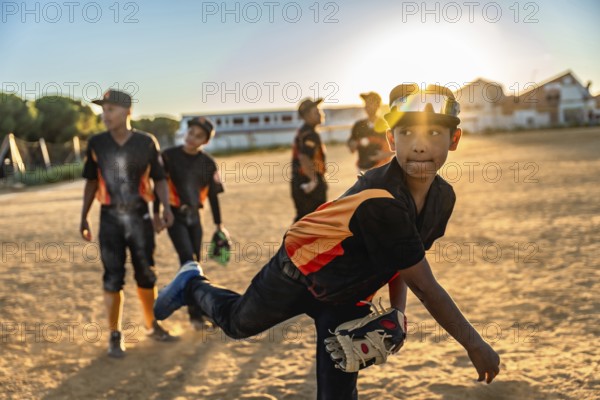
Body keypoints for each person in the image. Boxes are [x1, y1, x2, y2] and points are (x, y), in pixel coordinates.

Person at [153, 83, 500, 399]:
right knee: (236, 323)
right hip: (296, 274)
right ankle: (191, 282)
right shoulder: (381, 198)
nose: (420, 144)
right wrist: (474, 344)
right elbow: (426, 286)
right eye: (407, 131)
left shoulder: (443, 199)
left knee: (338, 393)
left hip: (348, 294)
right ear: (391, 140)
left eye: (435, 131)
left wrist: (397, 314)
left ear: (454, 139)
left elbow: (405, 262)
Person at [80, 89, 178, 358]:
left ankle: (151, 324)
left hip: (139, 215)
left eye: (110, 109)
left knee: (146, 272)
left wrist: (166, 209)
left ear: (127, 111)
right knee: (112, 276)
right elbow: (90, 181)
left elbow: (159, 178)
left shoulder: (146, 142)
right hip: (109, 216)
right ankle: (115, 334)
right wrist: (84, 216)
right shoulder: (97, 143)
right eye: (103, 109)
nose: (104, 114)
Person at [153, 116, 227, 328]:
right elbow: (159, 188)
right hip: (174, 216)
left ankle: (196, 312)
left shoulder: (208, 164)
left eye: (198, 136)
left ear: (205, 141)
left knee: (196, 265)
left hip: (196, 217)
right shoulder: (168, 156)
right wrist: (157, 214)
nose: (192, 138)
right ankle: (195, 316)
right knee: (188, 262)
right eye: (190, 132)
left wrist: (219, 224)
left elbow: (213, 196)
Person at [291, 98, 327, 222]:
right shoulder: (310, 134)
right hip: (308, 184)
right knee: (311, 222)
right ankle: (288, 242)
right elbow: (304, 157)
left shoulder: (304, 131)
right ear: (306, 116)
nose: (320, 113)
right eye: (316, 111)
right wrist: (313, 180)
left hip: (301, 182)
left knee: (305, 221)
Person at [347, 91, 394, 172]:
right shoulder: (358, 125)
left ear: (378, 105)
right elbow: (351, 143)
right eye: (366, 103)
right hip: (363, 169)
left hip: (382, 169)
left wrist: (385, 154)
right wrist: (352, 144)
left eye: (370, 103)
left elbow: (397, 148)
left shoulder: (385, 124)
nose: (367, 106)